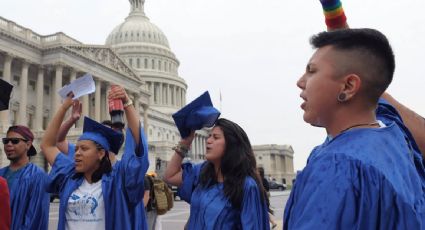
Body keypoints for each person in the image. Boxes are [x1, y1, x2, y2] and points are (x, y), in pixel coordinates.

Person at [284, 28, 425, 228]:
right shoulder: (398, 143)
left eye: (312, 71)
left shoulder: (337, 164)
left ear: (348, 86)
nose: (300, 82)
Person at [41, 86, 149, 230]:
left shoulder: (119, 178)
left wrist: (127, 103)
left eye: (84, 149)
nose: (77, 153)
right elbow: (48, 145)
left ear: (100, 153)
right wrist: (64, 107)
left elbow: (139, 148)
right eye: (77, 148)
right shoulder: (69, 175)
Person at [165, 118, 270, 229]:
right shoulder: (201, 172)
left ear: (231, 145)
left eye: (215, 137)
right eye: (209, 136)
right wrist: (185, 143)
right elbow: (170, 176)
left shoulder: (247, 186)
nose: (208, 140)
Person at [0, 125, 49, 230]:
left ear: (28, 144)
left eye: (15, 141)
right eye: (6, 141)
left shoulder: (38, 176)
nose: (9, 144)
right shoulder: (1, 174)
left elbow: (35, 218)